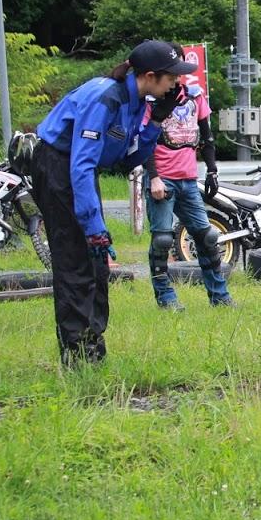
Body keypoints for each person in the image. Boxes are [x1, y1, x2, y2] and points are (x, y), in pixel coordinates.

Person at [30, 40, 190, 366]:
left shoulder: (136, 102)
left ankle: (93, 350)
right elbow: (81, 165)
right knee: (77, 260)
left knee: (97, 262)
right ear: (149, 75)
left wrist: (156, 122)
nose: (177, 83)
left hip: (80, 170)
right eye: (171, 76)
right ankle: (77, 358)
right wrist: (94, 226)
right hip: (59, 166)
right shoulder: (105, 97)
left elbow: (127, 160)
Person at [144, 54, 233, 311]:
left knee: (207, 236)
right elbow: (145, 141)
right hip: (162, 179)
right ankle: (166, 298)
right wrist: (153, 177)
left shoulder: (195, 96)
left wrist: (213, 170)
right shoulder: (150, 101)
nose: (177, 77)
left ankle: (220, 296)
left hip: (188, 178)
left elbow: (206, 137)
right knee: (162, 239)